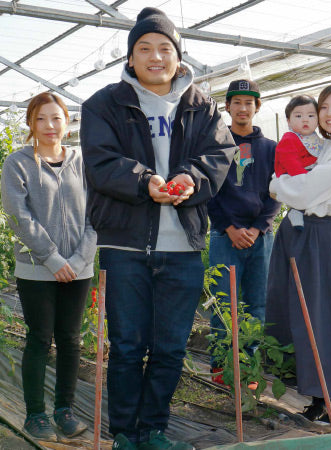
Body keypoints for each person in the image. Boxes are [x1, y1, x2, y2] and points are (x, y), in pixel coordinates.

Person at [80, 7, 236, 450]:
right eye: (143, 48)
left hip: (182, 245)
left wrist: (190, 178)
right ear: (130, 58)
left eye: (164, 48)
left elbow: (219, 154)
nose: (154, 56)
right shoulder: (104, 104)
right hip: (125, 244)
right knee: (128, 346)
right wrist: (144, 182)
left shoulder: (200, 104)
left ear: (178, 56)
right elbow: (100, 162)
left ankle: (154, 429)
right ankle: (124, 433)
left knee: (170, 347)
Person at [265, 83, 331, 423]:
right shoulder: (322, 146)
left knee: (328, 317)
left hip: (323, 236)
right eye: (324, 107)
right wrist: (289, 186)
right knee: (300, 315)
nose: (329, 114)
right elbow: (299, 186)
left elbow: (305, 190)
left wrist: (275, 185)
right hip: (298, 233)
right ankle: (317, 396)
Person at [1, 92, 97, 441]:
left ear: (67, 121)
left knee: (71, 339)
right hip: (37, 269)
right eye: (41, 118)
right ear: (30, 123)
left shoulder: (81, 162)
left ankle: (65, 410)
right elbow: (19, 217)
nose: (49, 126)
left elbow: (94, 215)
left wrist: (79, 259)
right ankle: (35, 415)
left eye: (56, 118)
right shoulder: (18, 163)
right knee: (40, 337)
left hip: (78, 267)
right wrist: (54, 260)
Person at [207, 79, 281, 384]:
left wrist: (256, 227)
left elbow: (276, 193)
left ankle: (249, 365)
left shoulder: (270, 148)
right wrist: (230, 228)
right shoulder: (215, 146)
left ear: (257, 107)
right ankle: (221, 364)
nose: (242, 108)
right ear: (227, 107)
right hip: (226, 237)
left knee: (257, 302)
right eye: (236, 102)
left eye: (248, 103)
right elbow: (209, 192)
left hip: (259, 237)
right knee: (223, 300)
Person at [275, 95, 323, 229]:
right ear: (288, 121)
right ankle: (295, 212)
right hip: (293, 174)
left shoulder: (316, 139)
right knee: (298, 200)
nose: (305, 119)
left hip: (309, 172)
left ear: (318, 120)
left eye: (311, 115)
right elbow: (291, 163)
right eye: (298, 116)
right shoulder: (289, 139)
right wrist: (306, 178)